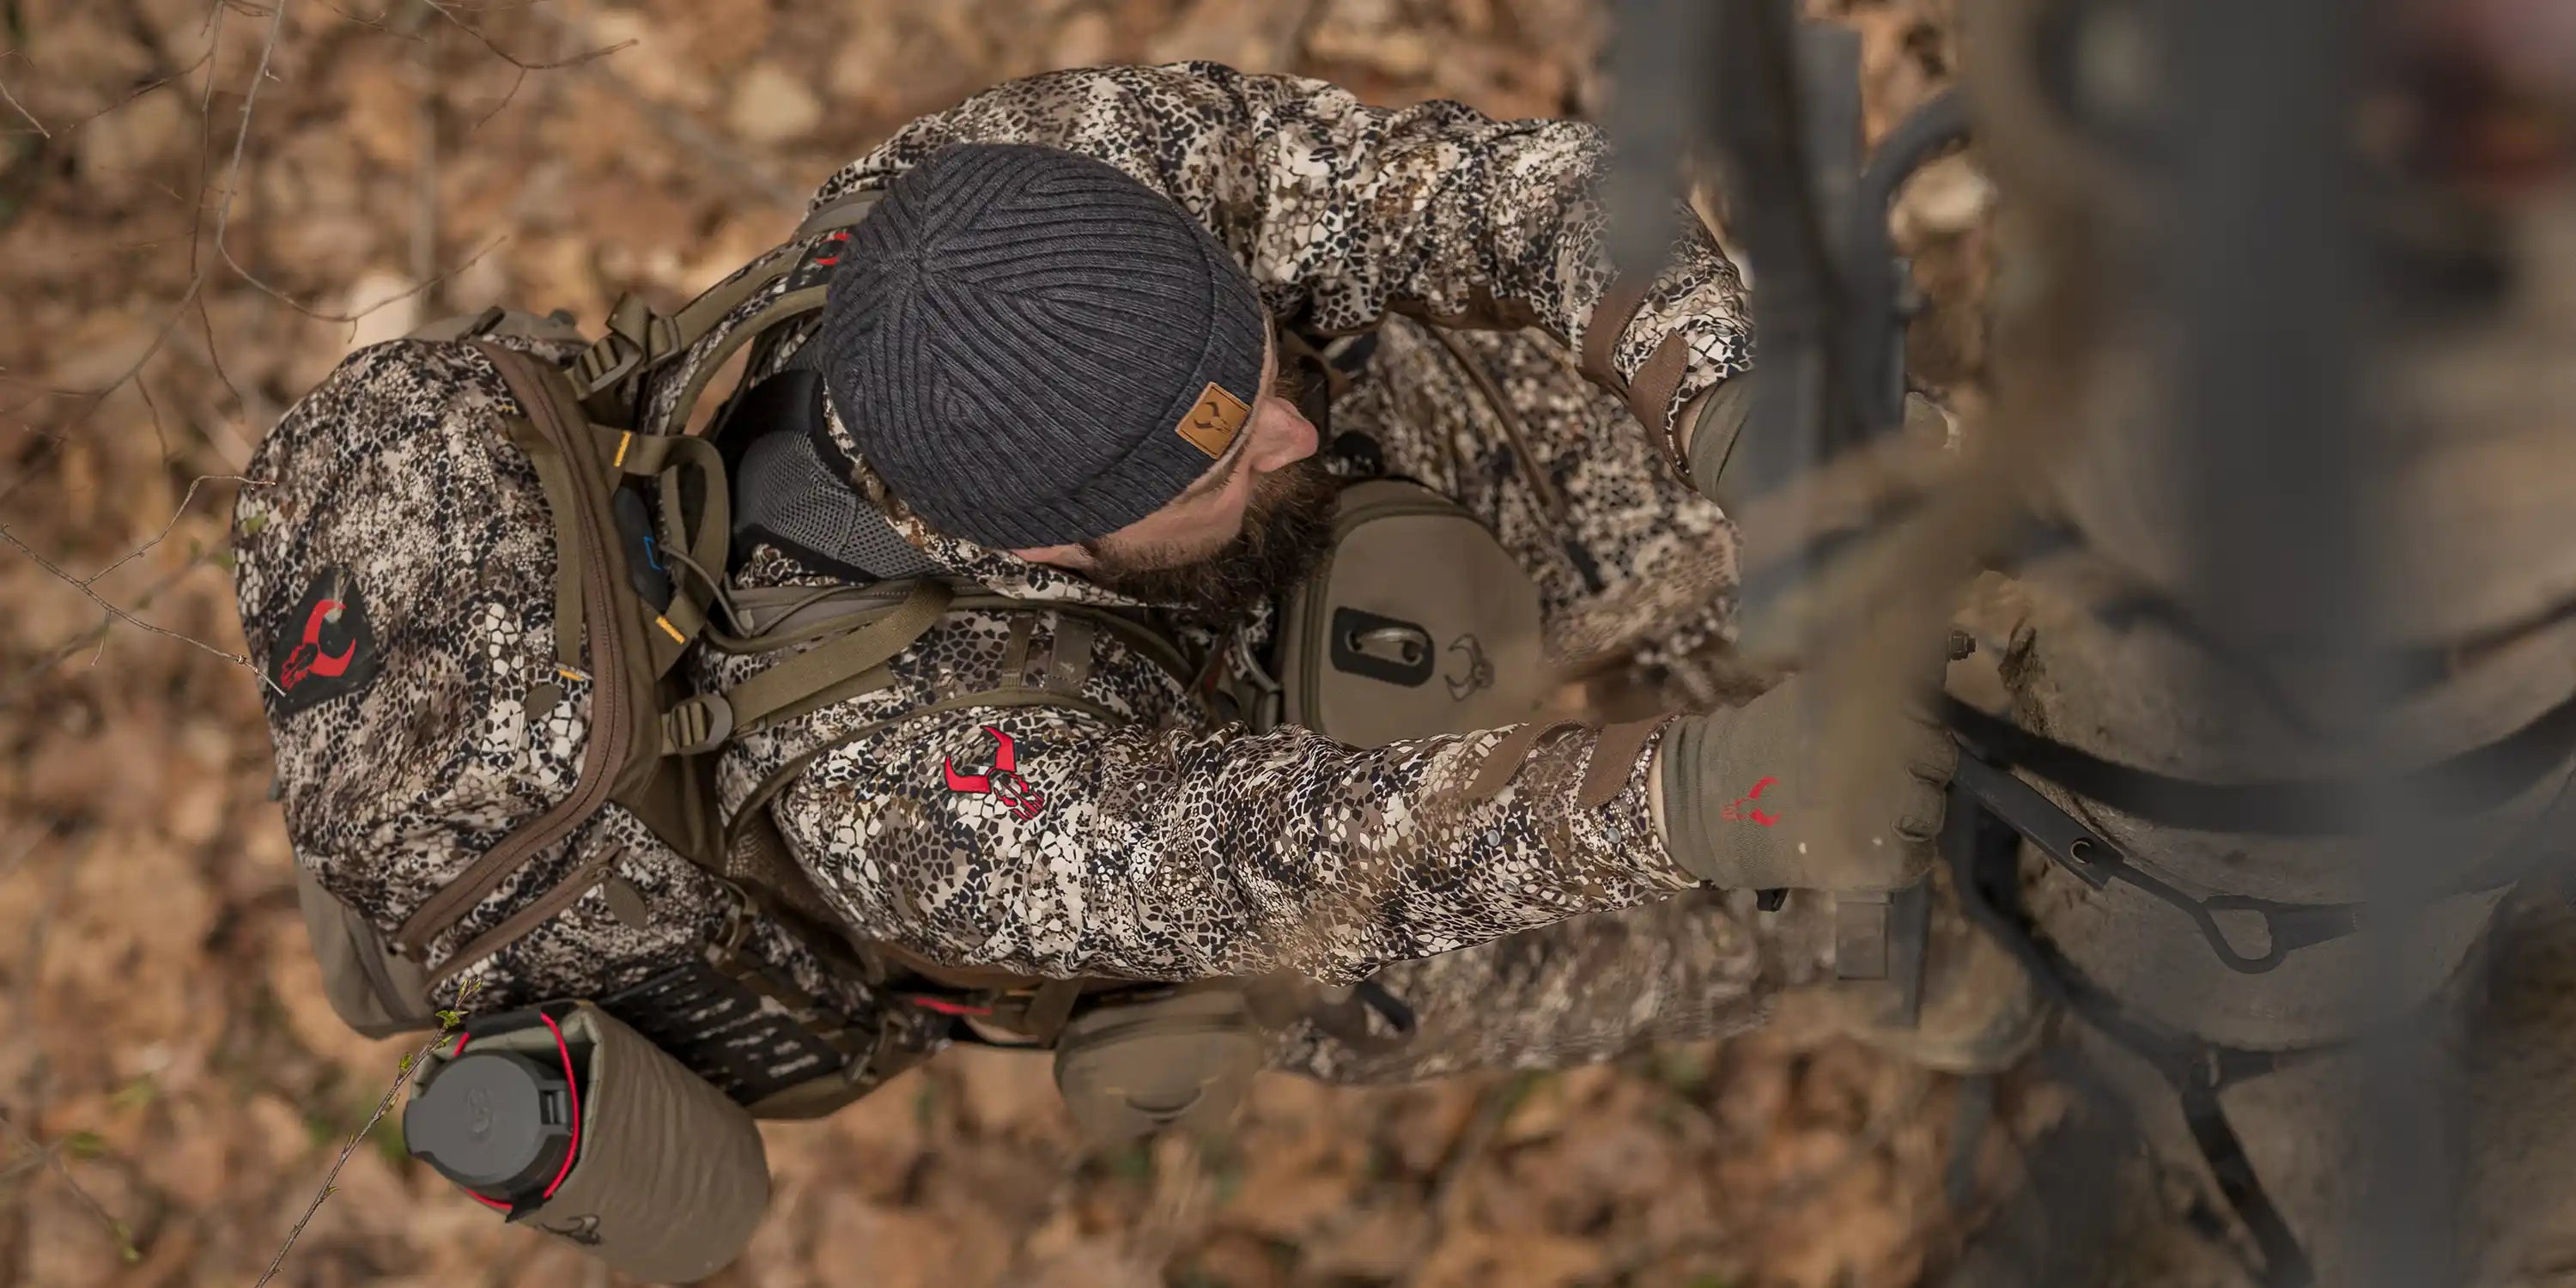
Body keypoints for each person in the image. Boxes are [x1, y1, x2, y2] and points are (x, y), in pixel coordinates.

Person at [622, 60, 2008, 1091]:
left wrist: (1727, 401)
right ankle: (1909, 955)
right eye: (1213, 468)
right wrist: (1707, 798)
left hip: (1434, 451)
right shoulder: (905, 799)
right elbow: (1287, 862)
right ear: (1049, 548)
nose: (1287, 431)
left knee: (1825, 514)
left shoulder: (1064, 173)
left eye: (1255, 369)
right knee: (1573, 944)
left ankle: (1999, 584)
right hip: (1231, 831)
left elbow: (1493, 195)